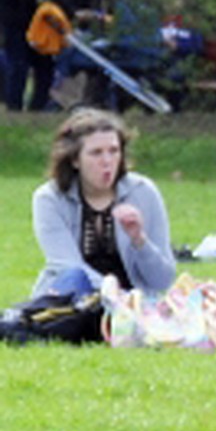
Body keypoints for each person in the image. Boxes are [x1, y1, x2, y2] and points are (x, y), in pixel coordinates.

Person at [32, 107, 176, 297]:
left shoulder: (143, 192)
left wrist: (139, 240)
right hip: (75, 302)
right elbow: (67, 265)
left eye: (114, 151)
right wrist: (116, 296)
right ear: (75, 160)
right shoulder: (49, 199)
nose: (107, 161)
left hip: (135, 308)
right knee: (73, 278)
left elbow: (163, 280)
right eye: (96, 153)